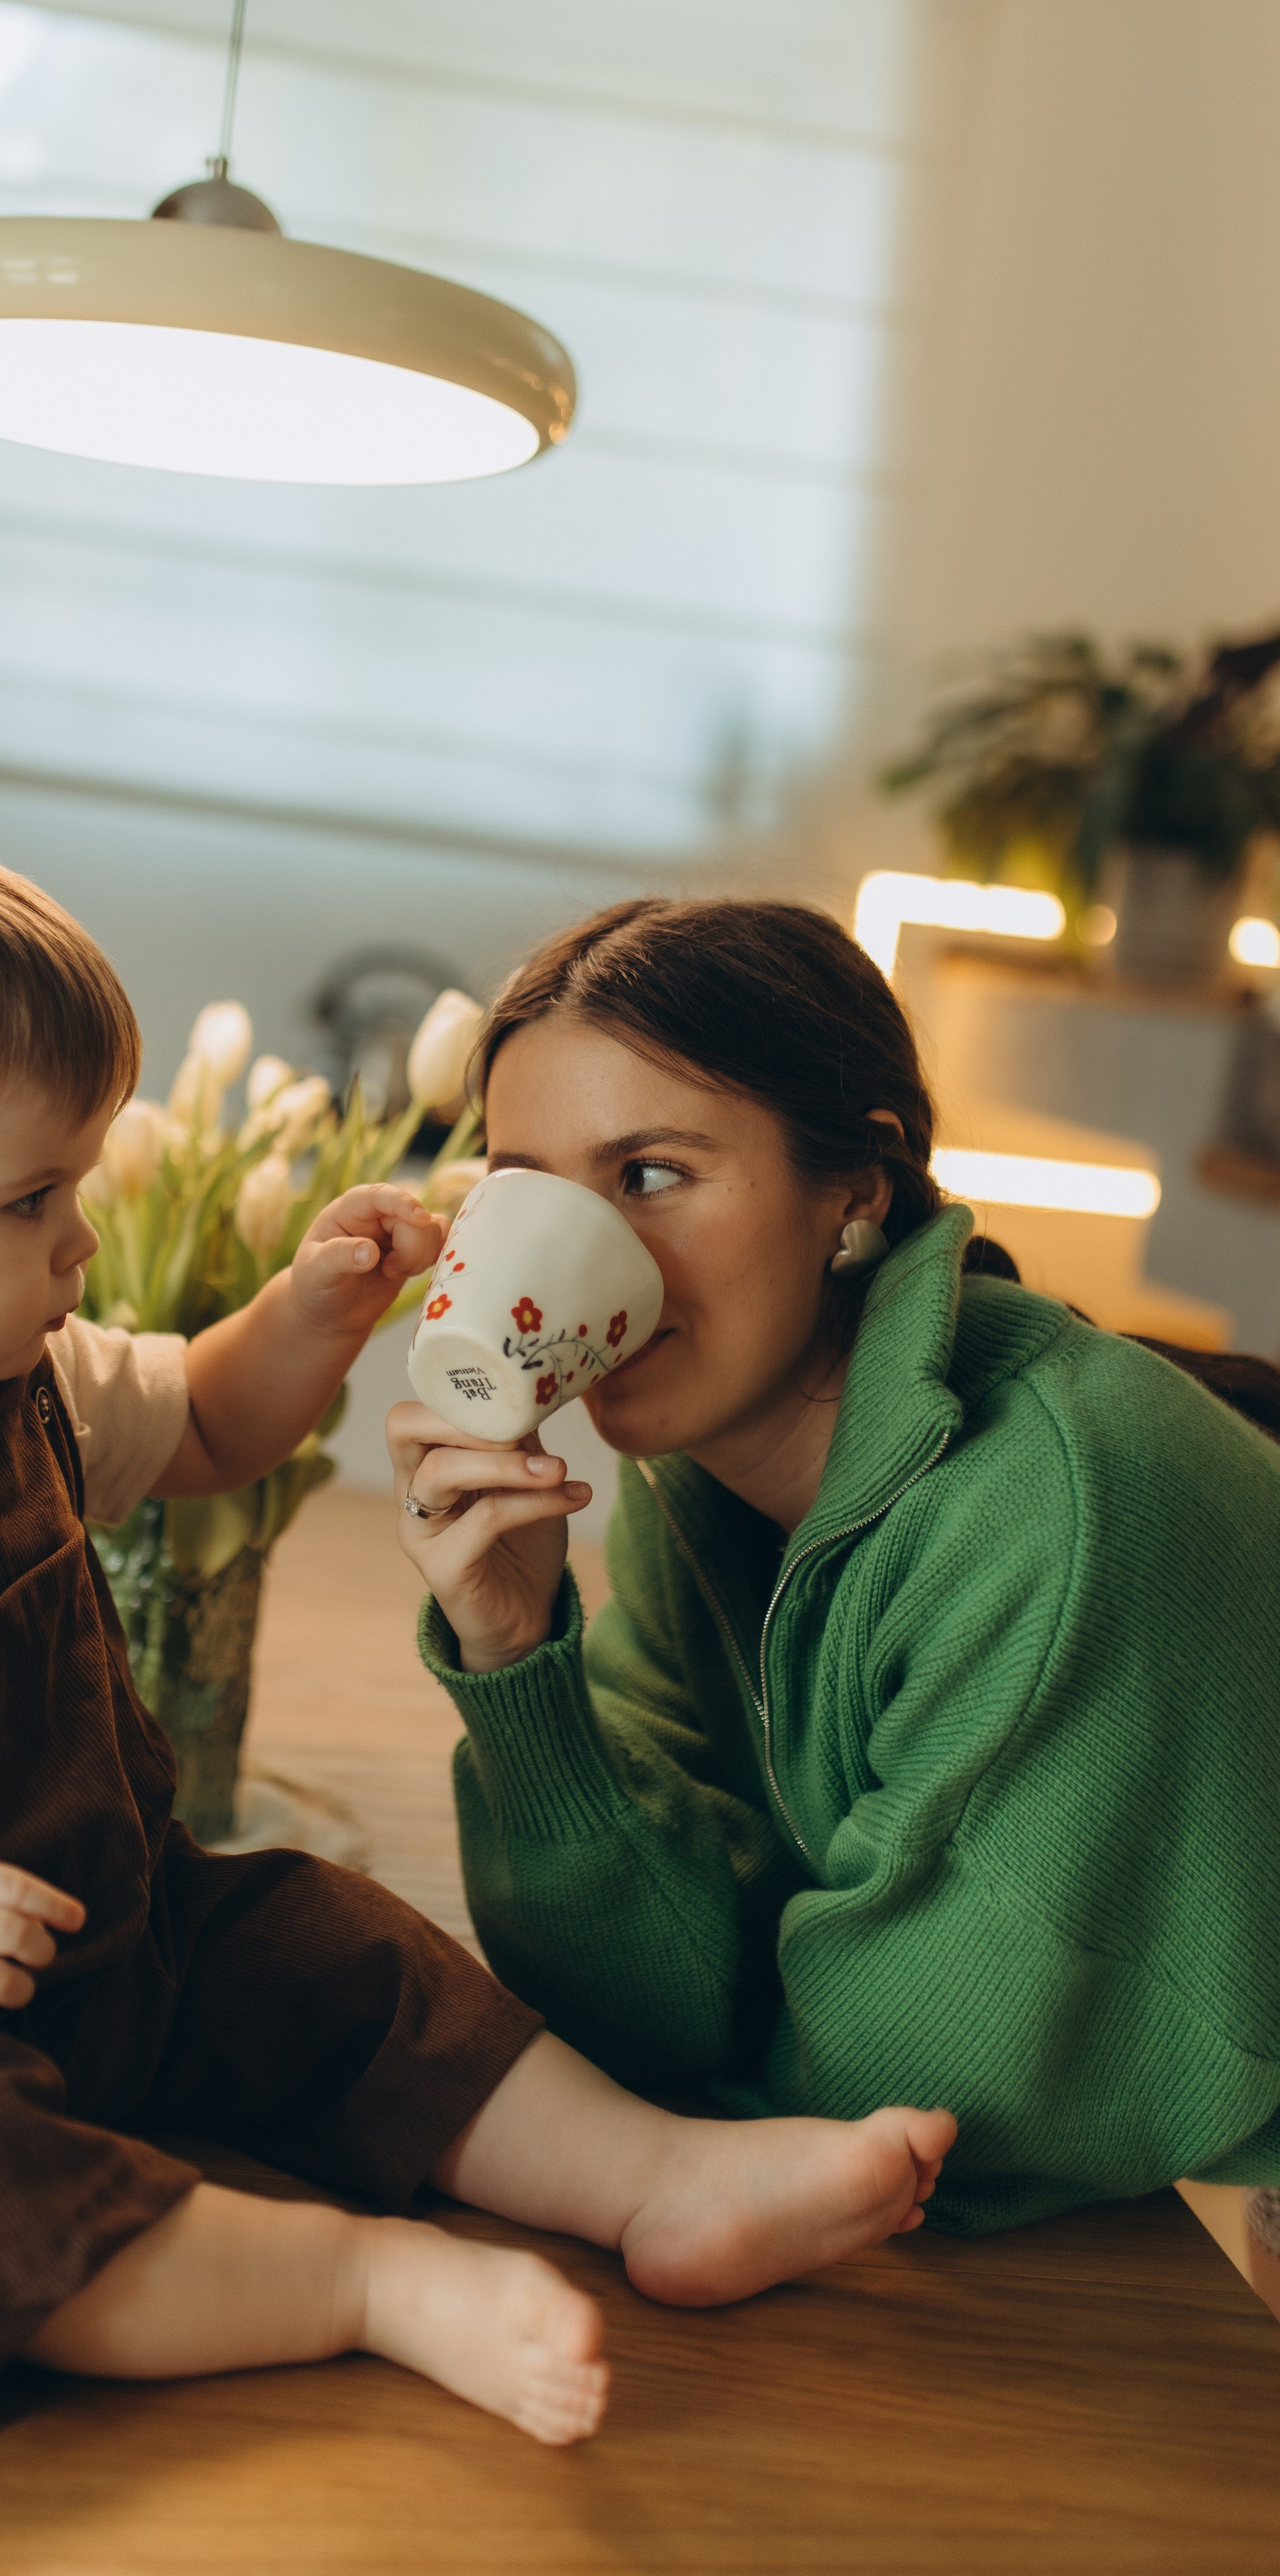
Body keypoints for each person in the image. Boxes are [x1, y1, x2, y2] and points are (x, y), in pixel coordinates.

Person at [0, 831, 955, 2446]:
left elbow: (203, 1421)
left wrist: (308, 1318)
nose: (77, 1245)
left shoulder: (10, 1364)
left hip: (107, 1935)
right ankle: (359, 2284)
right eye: (32, 1200)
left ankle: (655, 2175)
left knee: (334, 1945)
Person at [390, 897, 1280, 2235]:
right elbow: (648, 2001)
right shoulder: (697, 1483)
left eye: (648, 1176)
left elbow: (895, 2107)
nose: (591, 1261)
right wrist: (518, 1665)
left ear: (854, 1191)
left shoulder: (1046, 1511)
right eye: (526, 1190)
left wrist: (607, 2156)